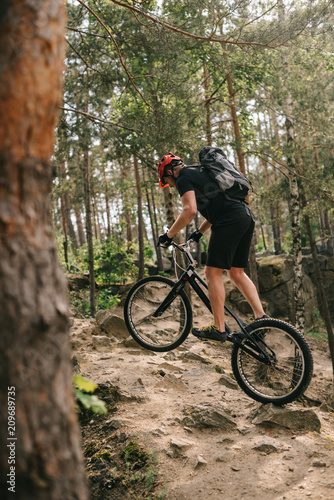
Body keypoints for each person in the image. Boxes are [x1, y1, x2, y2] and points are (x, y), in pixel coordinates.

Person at [157, 152, 267, 342]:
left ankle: (218, 327)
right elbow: (218, 206)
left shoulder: (183, 178)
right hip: (244, 216)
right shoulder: (201, 172)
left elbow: (189, 210)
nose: (172, 186)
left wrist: (169, 235)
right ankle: (261, 319)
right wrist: (199, 231)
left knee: (211, 273)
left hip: (230, 220)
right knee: (236, 273)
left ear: (170, 172)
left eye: (168, 182)